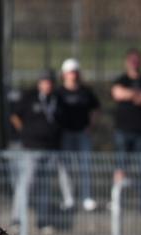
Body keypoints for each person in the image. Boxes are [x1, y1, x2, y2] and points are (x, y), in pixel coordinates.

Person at [9, 70, 66, 234]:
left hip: (51, 149)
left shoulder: (56, 100)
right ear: (39, 83)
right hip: (31, 148)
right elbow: (15, 116)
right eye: (45, 81)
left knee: (45, 186)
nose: (48, 85)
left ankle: (43, 221)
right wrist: (25, 132)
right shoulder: (29, 97)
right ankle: (16, 219)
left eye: (50, 82)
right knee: (26, 184)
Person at [56, 58, 100, 212]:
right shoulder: (59, 93)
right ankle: (69, 199)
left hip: (82, 133)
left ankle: (86, 197)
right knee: (65, 168)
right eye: (69, 72)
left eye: (74, 72)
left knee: (85, 166)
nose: (72, 75)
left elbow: (95, 109)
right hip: (66, 134)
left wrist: (91, 126)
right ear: (64, 74)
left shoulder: (85, 92)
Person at [111, 49, 141, 182]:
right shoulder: (120, 80)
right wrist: (140, 95)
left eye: (136, 60)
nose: (134, 63)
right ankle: (117, 200)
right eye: (131, 60)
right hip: (123, 130)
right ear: (126, 62)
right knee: (121, 166)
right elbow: (117, 94)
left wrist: (129, 95)